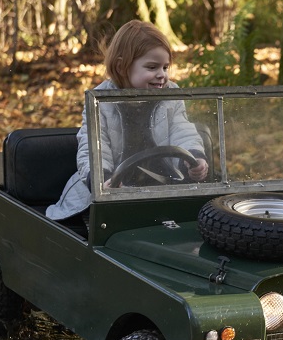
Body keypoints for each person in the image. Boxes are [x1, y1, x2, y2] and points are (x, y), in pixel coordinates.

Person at [46, 20, 209, 223]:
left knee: (202, 214)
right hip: (113, 188)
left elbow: (182, 130)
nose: (162, 75)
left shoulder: (170, 94)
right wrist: (102, 180)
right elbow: (93, 147)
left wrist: (193, 157)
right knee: (100, 219)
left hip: (161, 183)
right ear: (122, 66)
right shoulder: (100, 100)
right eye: (152, 67)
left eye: (166, 67)